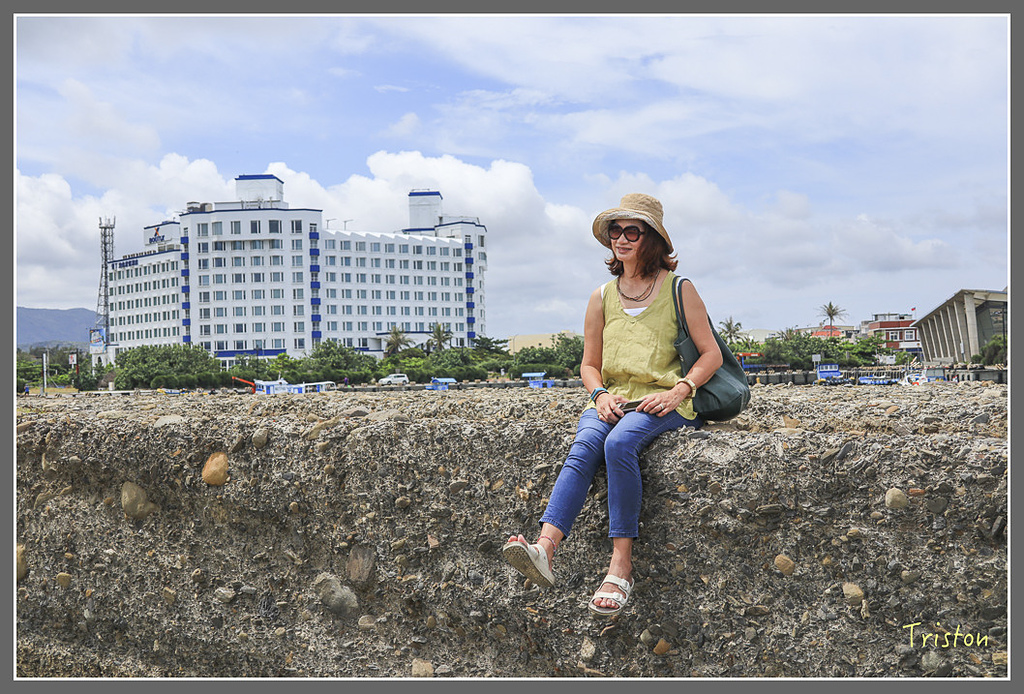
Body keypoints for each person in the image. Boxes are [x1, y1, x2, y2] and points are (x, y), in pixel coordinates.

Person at [502, 193, 723, 617]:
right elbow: (589, 365)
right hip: (613, 399)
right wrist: (600, 395)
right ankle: (545, 548)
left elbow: (710, 354)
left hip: (664, 400)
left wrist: (679, 390)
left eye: (631, 232)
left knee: (619, 445)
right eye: (615, 231)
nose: (621, 239)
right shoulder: (602, 296)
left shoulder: (679, 289)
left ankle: (621, 566)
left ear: (651, 238)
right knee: (585, 445)